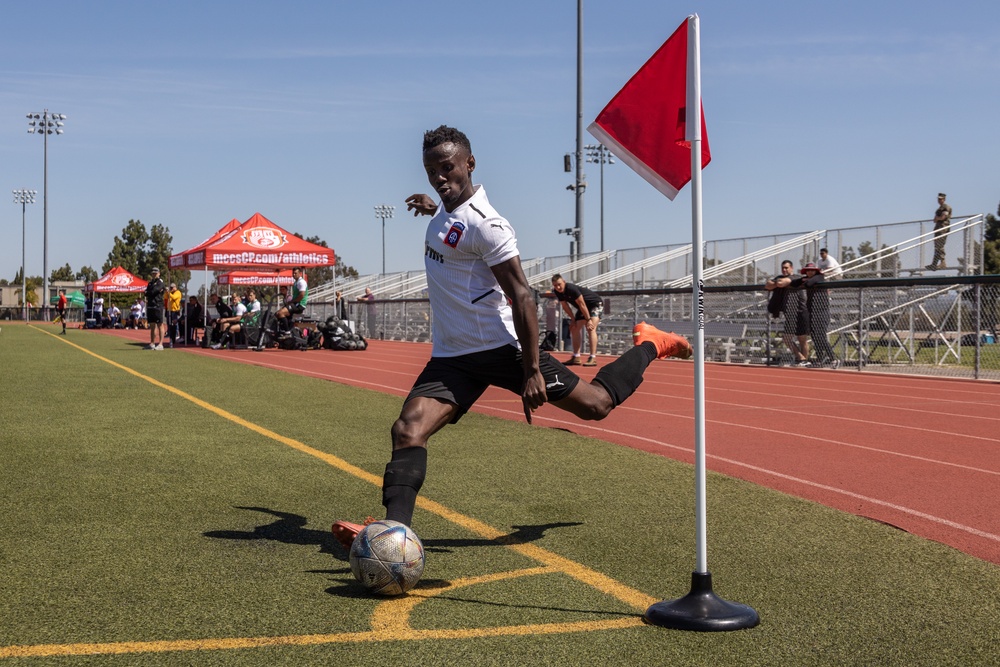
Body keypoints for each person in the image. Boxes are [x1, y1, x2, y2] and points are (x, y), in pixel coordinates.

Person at [331, 125, 691, 550]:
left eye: (447, 168)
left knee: (597, 406)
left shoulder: (490, 226)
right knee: (408, 429)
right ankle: (394, 535)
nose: (439, 178)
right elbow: (454, 229)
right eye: (431, 171)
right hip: (454, 357)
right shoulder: (448, 212)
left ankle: (651, 343)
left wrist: (533, 370)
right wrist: (435, 208)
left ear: (470, 163)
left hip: (505, 351)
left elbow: (523, 294)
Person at [788, 262, 838, 368]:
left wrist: (804, 281)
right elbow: (794, 283)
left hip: (822, 312)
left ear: (816, 271)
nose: (810, 272)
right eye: (808, 270)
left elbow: (808, 284)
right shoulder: (806, 278)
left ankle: (833, 359)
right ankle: (820, 360)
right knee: (815, 336)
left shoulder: (819, 277)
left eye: (812, 270)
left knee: (821, 336)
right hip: (812, 312)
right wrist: (802, 280)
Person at [551, 274, 603, 366]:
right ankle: (576, 356)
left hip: (594, 304)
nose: (558, 287)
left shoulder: (571, 288)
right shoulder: (557, 291)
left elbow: (582, 304)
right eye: (555, 285)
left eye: (559, 284)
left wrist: (589, 320)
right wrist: (573, 319)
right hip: (583, 308)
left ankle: (592, 357)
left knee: (590, 328)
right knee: (574, 328)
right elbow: (565, 306)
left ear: (564, 282)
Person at [765, 260, 809, 366]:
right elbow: (767, 285)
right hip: (789, 313)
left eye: (786, 268)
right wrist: (777, 283)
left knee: (802, 339)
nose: (784, 270)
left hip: (801, 311)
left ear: (791, 268)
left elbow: (780, 283)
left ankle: (803, 361)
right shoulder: (780, 277)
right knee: (786, 339)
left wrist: (777, 283)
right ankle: (801, 358)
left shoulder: (795, 277)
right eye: (783, 268)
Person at [274, 267, 308, 331]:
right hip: (295, 303)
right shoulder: (296, 282)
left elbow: (301, 295)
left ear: (300, 273)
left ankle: (287, 332)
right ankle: (284, 329)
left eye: (295, 273)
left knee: (281, 313)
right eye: (293, 273)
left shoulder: (301, 282)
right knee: (277, 313)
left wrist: (292, 301)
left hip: (300, 304)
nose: (294, 275)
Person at [927, 193, 952, 270]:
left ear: (944, 199)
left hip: (943, 228)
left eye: (941, 199)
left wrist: (938, 218)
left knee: (940, 245)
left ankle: (943, 262)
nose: (939, 200)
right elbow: (935, 220)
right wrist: (938, 218)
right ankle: (934, 264)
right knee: (937, 247)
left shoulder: (945, 207)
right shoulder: (939, 208)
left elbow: (943, 217)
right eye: (938, 199)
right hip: (938, 228)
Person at [144, 268, 166, 350]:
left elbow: (154, 291)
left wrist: (148, 292)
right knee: (152, 325)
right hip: (150, 305)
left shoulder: (160, 282)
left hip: (158, 305)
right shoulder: (150, 283)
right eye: (153, 273)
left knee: (160, 324)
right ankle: (152, 343)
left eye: (155, 273)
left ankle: (160, 344)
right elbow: (146, 292)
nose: (154, 274)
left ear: (159, 273)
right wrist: (148, 292)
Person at [164, 282, 183, 346]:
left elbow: (174, 297)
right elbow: (165, 297)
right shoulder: (170, 293)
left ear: (175, 287)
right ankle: (170, 335)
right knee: (169, 323)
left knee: (174, 323)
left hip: (175, 310)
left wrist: (169, 293)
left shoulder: (178, 292)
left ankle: (176, 335)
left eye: (172, 287)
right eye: (170, 288)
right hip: (169, 310)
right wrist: (167, 292)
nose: (171, 289)